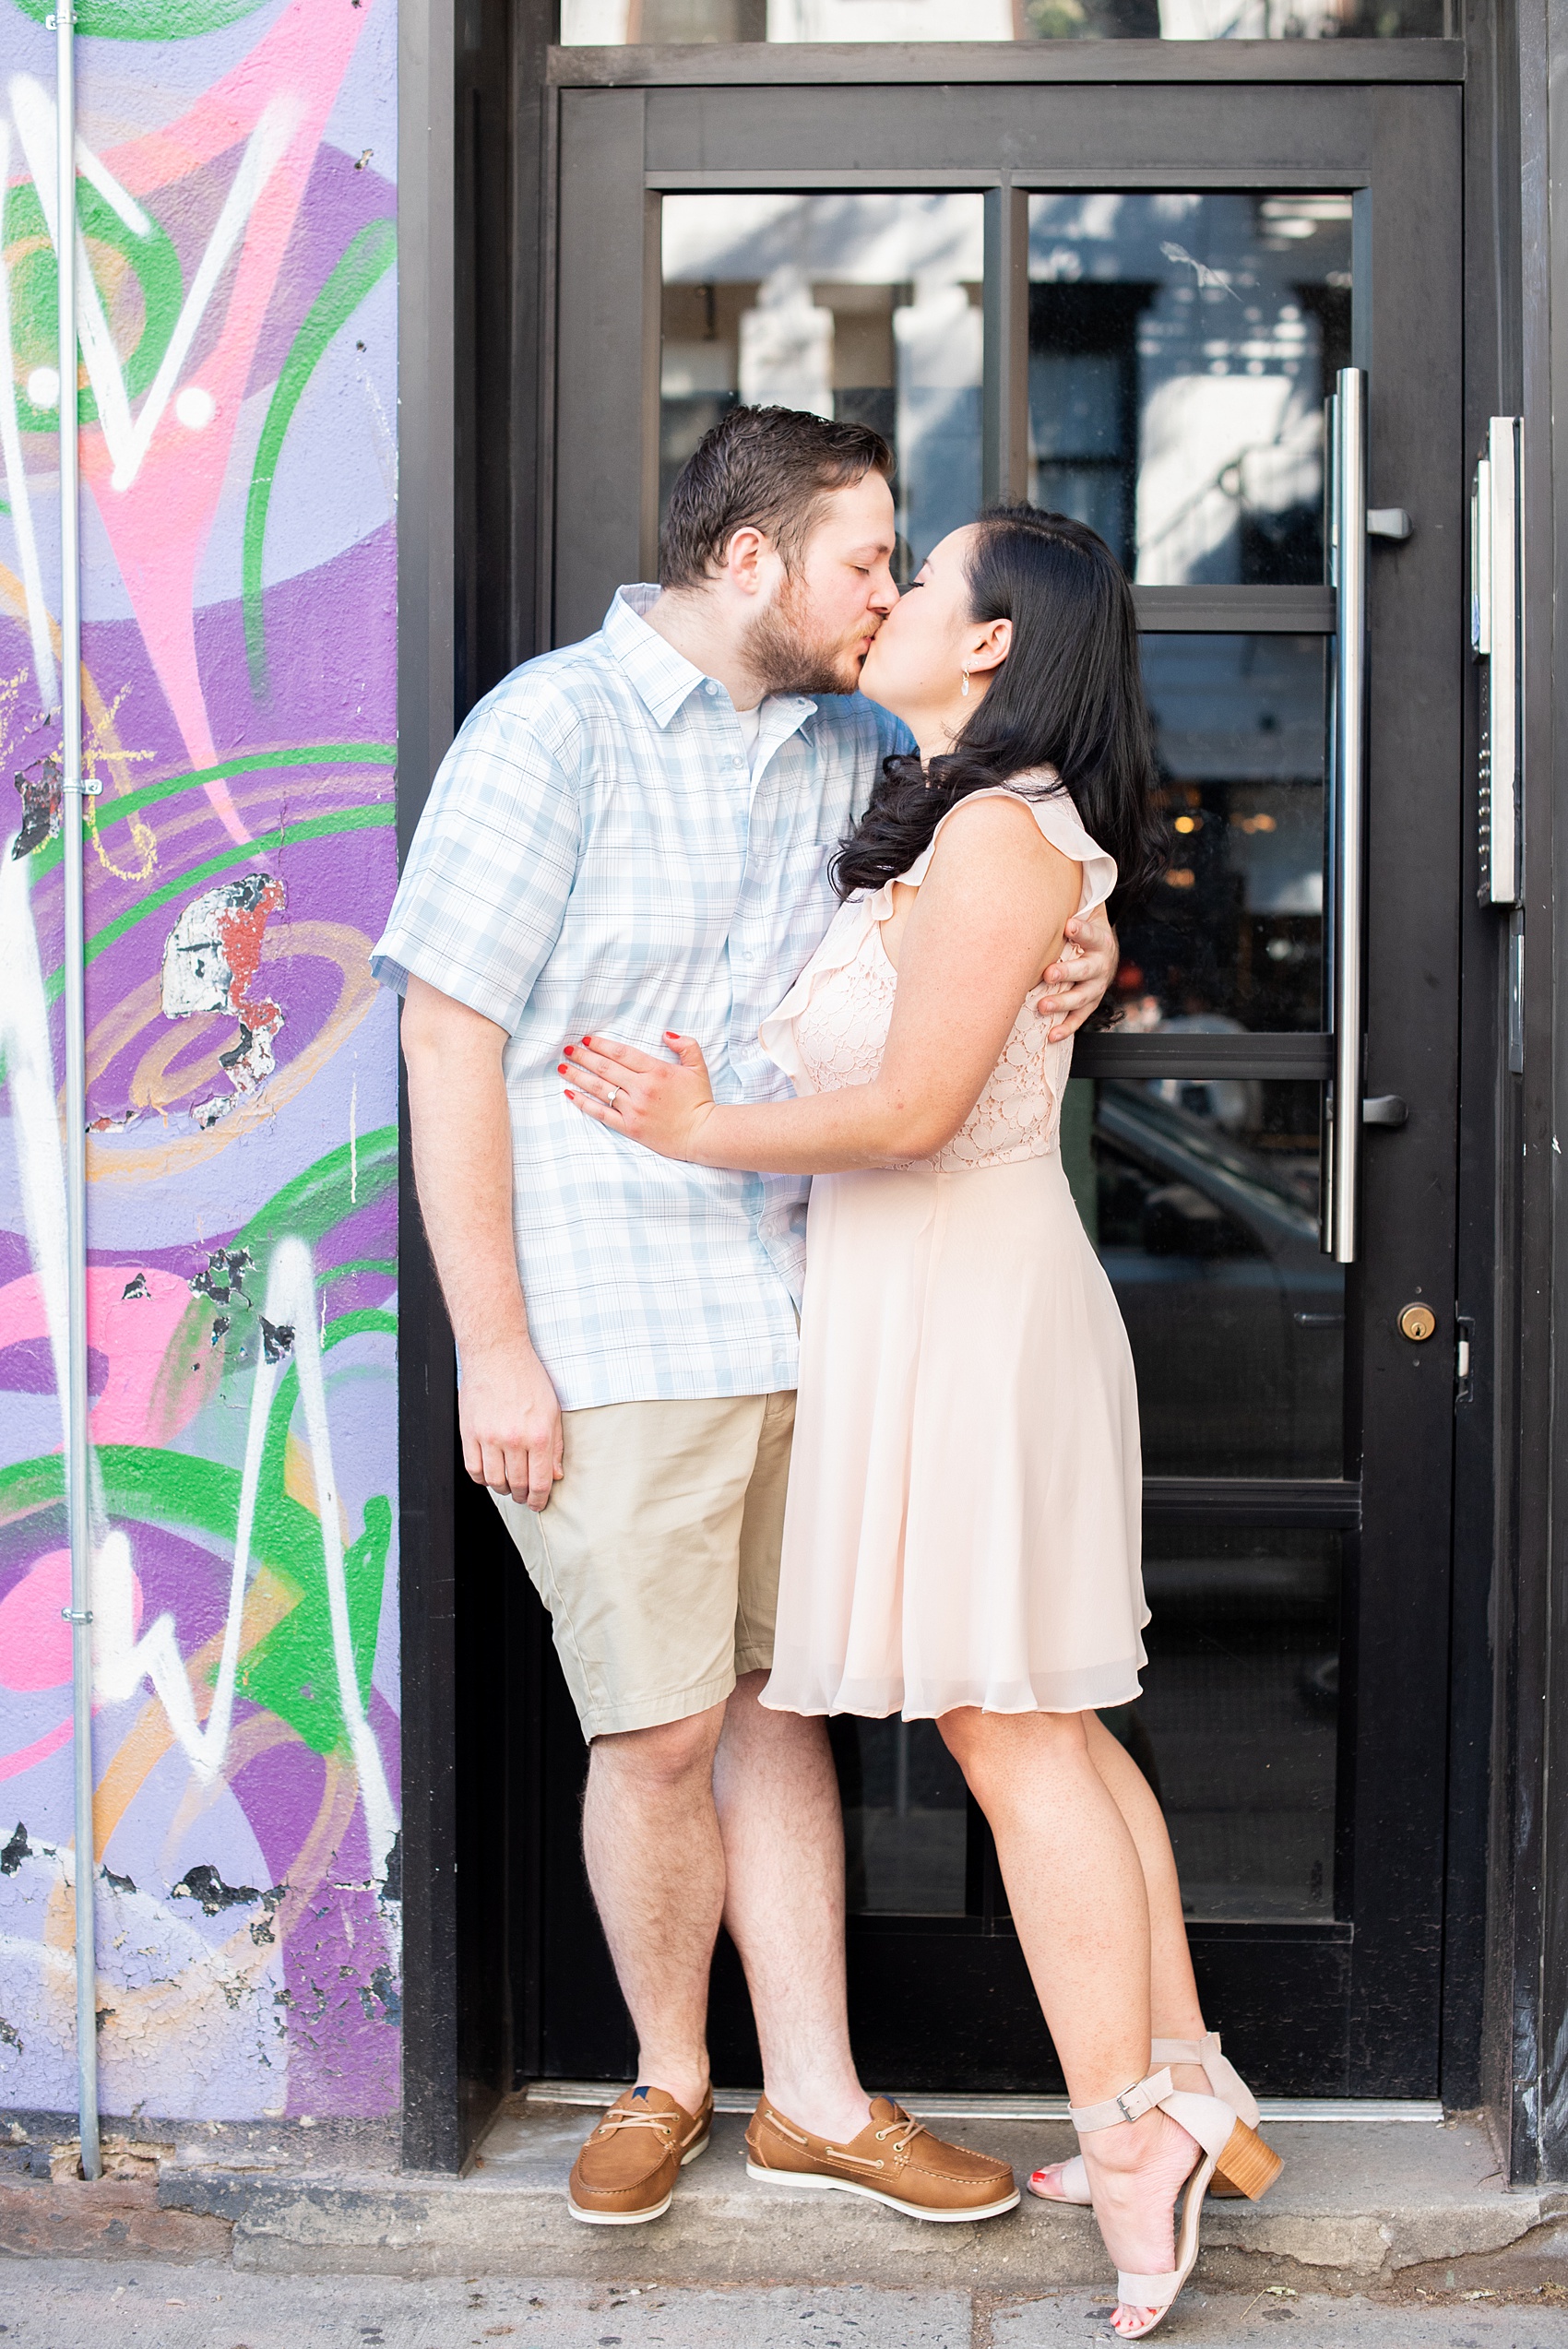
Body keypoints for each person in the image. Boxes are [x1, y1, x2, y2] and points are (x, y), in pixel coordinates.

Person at [371, 411, 1119, 2231]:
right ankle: (667, 2076)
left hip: (816, 1301)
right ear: (746, 560)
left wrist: (1082, 952)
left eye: (898, 567)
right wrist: (495, 1345)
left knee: (792, 1707)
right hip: (612, 1317)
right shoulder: (548, 731)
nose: (888, 588)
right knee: (659, 1727)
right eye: (866, 558)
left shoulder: (866, 740)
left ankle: (816, 2097)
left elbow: (978, 927)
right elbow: (446, 1038)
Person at [560, 507, 1282, 2338]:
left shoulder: (990, 829)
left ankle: (1130, 2133)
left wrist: (689, 1126)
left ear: (987, 642)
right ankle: (1185, 2078)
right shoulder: (979, 818)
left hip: (967, 1309)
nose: (879, 601)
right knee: (1043, 1713)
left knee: (1008, 1726)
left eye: (913, 579)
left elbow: (905, 1110)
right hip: (929, 1302)